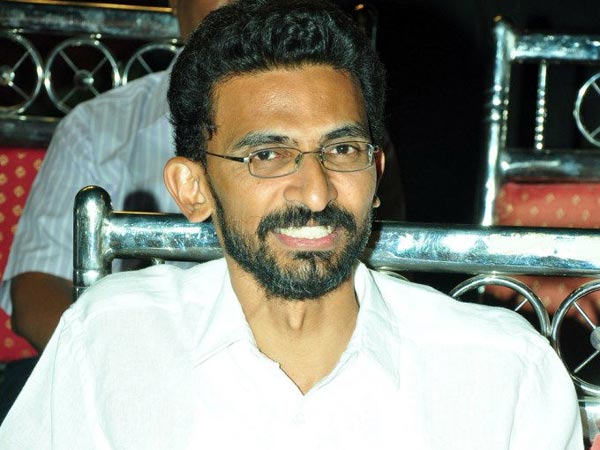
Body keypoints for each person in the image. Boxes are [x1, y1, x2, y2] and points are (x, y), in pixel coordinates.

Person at [0, 0, 582, 448]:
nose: (316, 191)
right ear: (192, 188)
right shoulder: (110, 344)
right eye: (267, 155)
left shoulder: (502, 373)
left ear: (377, 173)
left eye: (342, 150)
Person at [0, 0, 235, 423]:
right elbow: (36, 290)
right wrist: (133, 377)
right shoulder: (97, 126)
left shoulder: (334, 122)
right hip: (125, 373)